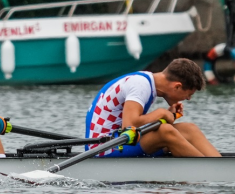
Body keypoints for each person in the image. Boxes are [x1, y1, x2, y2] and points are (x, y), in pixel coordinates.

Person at [85, 58, 220, 158]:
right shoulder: (140, 85)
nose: (188, 99)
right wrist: (161, 113)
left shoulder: (147, 82)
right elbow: (129, 125)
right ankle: (208, 172)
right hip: (103, 147)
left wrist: (168, 115)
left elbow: (136, 126)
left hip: (119, 140)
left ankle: (221, 168)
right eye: (189, 94)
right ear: (177, 86)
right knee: (165, 131)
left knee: (189, 129)